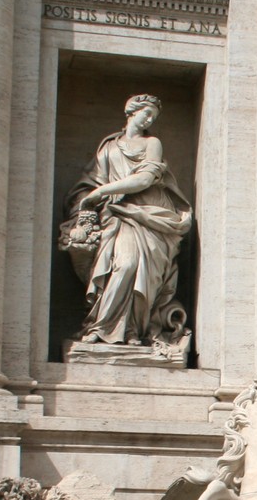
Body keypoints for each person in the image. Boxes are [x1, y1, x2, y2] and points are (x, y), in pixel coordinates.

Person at [58, 94, 193, 347]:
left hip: (147, 216)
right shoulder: (109, 147)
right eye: (146, 113)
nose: (150, 119)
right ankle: (101, 327)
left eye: (154, 116)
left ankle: (133, 330)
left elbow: (144, 180)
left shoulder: (153, 143)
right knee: (122, 265)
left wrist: (101, 192)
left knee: (134, 267)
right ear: (131, 111)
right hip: (114, 216)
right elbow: (89, 184)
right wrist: (89, 200)